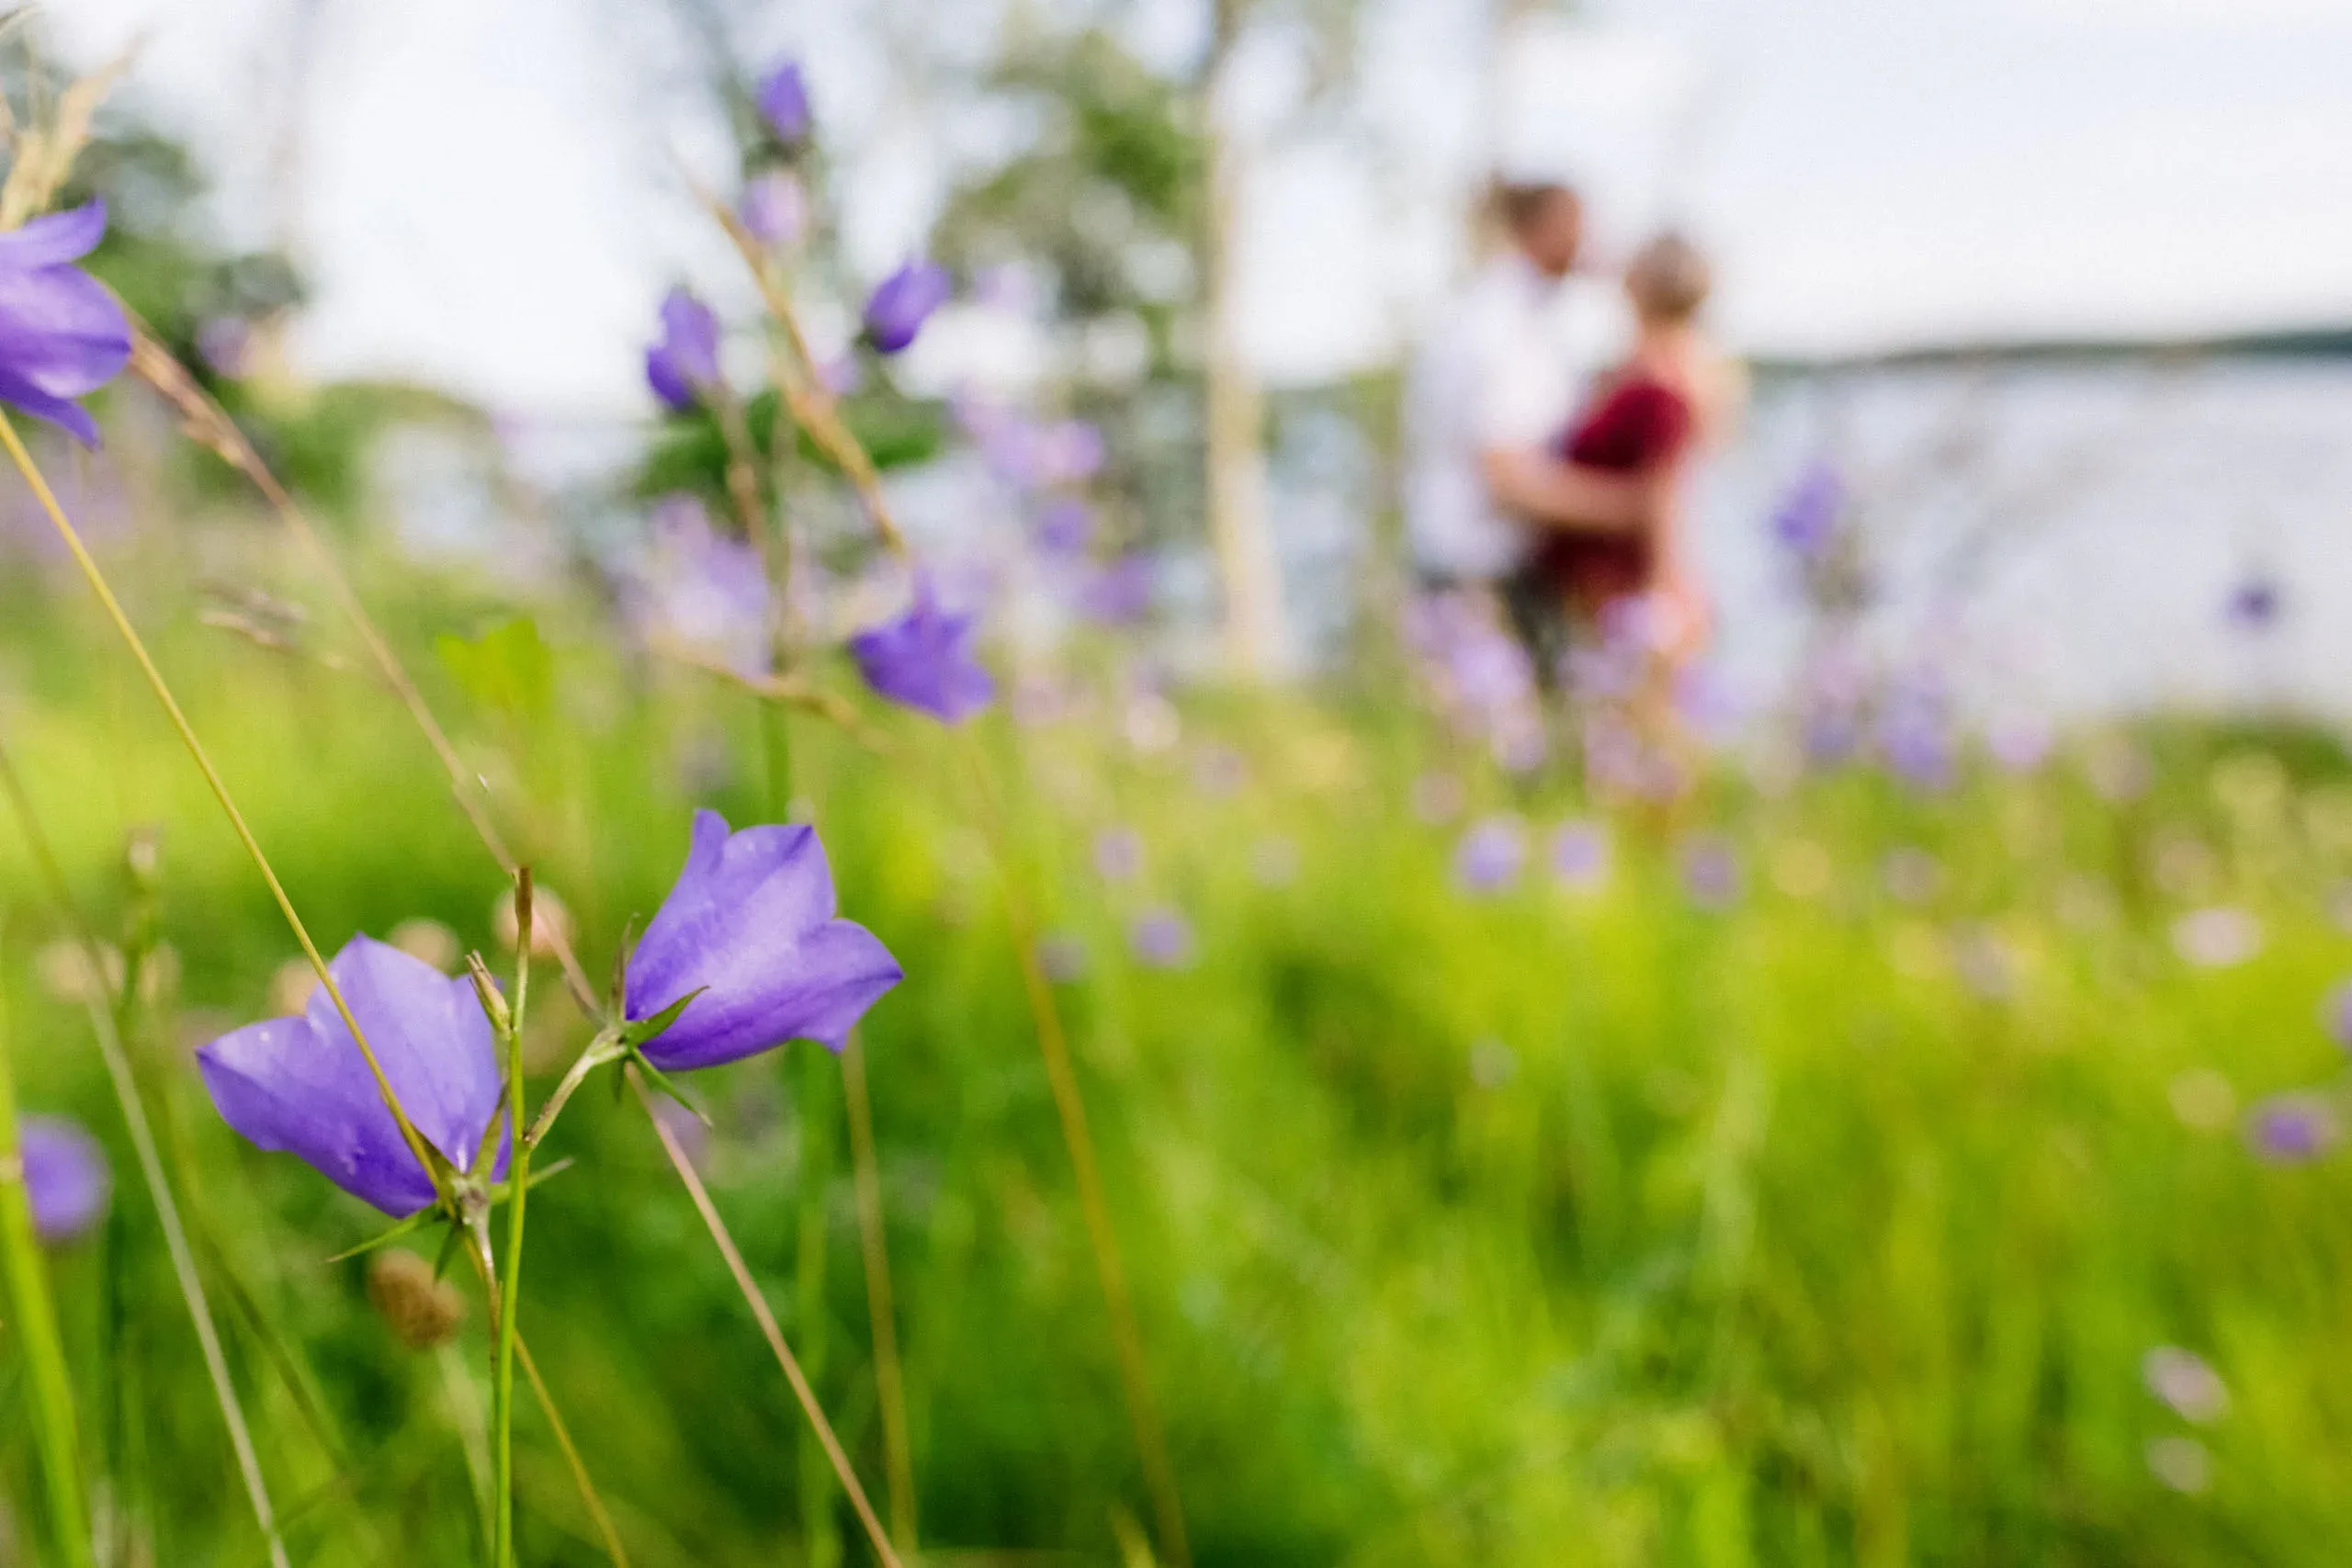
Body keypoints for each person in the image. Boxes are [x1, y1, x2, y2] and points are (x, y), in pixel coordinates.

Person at [1405, 179, 1661, 676]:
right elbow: (1507, 480)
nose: (1592, 244)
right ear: (1544, 228)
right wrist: (1631, 509)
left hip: (1497, 566)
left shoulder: (1525, 315)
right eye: (1581, 228)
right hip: (1481, 573)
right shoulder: (1501, 327)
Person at [1534, 231, 1724, 659]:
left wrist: (1668, 598)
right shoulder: (1643, 375)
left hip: (1617, 596)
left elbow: (1663, 500)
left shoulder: (1657, 390)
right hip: (1599, 591)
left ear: (1639, 287)